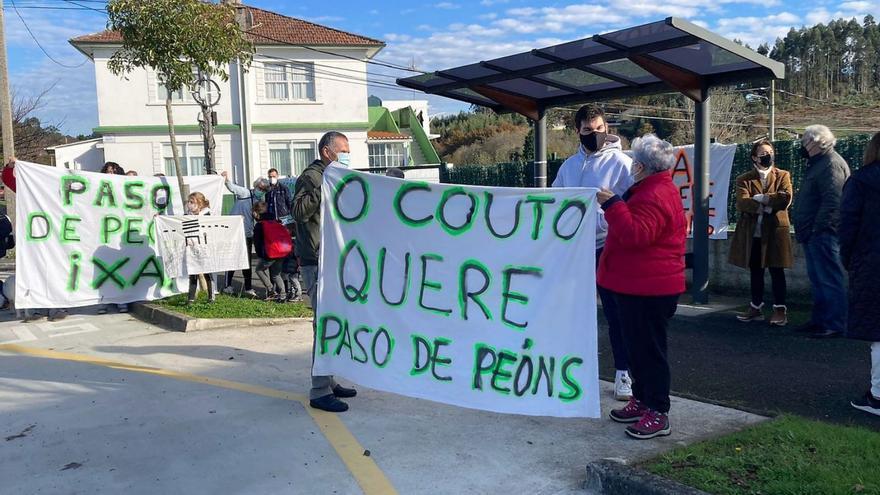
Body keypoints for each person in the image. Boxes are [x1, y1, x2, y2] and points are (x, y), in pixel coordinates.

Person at [598, 134, 687, 440]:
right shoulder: (650, 188)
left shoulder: (656, 194)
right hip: (636, 286)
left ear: (644, 166)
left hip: (650, 289)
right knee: (636, 347)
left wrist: (612, 205)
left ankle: (659, 411)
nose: (632, 165)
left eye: (636, 161)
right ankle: (642, 399)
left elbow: (636, 235)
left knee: (650, 351)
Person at [552, 105, 634, 401]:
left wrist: (602, 218)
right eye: (588, 131)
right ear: (578, 131)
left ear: (606, 126)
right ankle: (567, 371)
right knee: (569, 312)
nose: (595, 135)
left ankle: (624, 373)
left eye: (599, 129)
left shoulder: (623, 163)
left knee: (615, 313)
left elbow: (631, 204)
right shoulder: (569, 167)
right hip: (574, 250)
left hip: (607, 248)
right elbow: (554, 201)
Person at [293, 131, 357, 413]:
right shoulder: (312, 177)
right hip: (316, 261)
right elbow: (298, 212)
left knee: (333, 323)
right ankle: (319, 390)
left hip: (332, 260)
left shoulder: (334, 176)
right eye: (342, 150)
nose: (346, 154)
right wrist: (324, 188)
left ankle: (328, 380)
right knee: (324, 326)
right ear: (327, 151)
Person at [790, 125, 851, 338]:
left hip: (823, 233)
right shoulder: (819, 164)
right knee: (818, 279)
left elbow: (833, 201)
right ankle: (820, 320)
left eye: (805, 141)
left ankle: (834, 323)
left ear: (816, 143)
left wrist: (818, 228)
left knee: (828, 278)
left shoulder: (831, 164)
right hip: (814, 233)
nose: (802, 145)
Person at [729, 139, 794, 326]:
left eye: (770, 153)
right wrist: (766, 205)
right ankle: (755, 307)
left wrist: (761, 198)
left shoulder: (783, 175)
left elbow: (785, 199)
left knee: (777, 270)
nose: (768, 156)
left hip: (775, 231)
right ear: (754, 158)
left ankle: (780, 309)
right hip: (753, 232)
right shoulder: (744, 178)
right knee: (756, 271)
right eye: (763, 154)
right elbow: (742, 203)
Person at [840, 132, 880, 417]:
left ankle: (877, 395)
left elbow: (848, 226)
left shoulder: (861, 181)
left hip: (871, 263)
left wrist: (849, 260)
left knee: (877, 333)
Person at [1, 158, 68, 321]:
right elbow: (9, 179)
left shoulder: (62, 193)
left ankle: (57, 307)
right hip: (34, 240)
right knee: (34, 273)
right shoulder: (30, 189)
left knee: (56, 273)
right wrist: (10, 168)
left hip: (57, 240)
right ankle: (36, 309)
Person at [220, 171, 264, 298]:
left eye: (264, 189)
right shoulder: (245, 193)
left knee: (247, 261)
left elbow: (258, 217)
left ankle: (248, 287)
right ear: (255, 186)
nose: (261, 190)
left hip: (247, 233)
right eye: (260, 188)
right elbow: (232, 188)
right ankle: (227, 286)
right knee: (232, 259)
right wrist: (226, 179)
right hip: (234, 232)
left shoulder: (258, 200)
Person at [97, 161, 131, 314]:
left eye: (114, 171)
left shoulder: (124, 189)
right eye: (108, 171)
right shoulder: (97, 188)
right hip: (103, 237)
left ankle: (121, 300)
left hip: (120, 236)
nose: (110, 174)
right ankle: (104, 300)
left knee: (121, 270)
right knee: (103, 271)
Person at [251, 201, 286, 301]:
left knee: (259, 270)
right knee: (276, 274)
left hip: (269, 254)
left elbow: (257, 243)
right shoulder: (275, 221)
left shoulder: (259, 225)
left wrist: (260, 255)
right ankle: (283, 294)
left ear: (256, 213)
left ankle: (271, 290)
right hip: (281, 252)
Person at [185, 192, 215, 304]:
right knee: (193, 273)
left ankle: (211, 297)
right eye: (189, 202)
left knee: (207, 273)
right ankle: (191, 299)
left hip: (205, 248)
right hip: (192, 248)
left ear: (200, 203)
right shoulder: (187, 215)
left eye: (192, 202)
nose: (189, 204)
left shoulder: (207, 215)